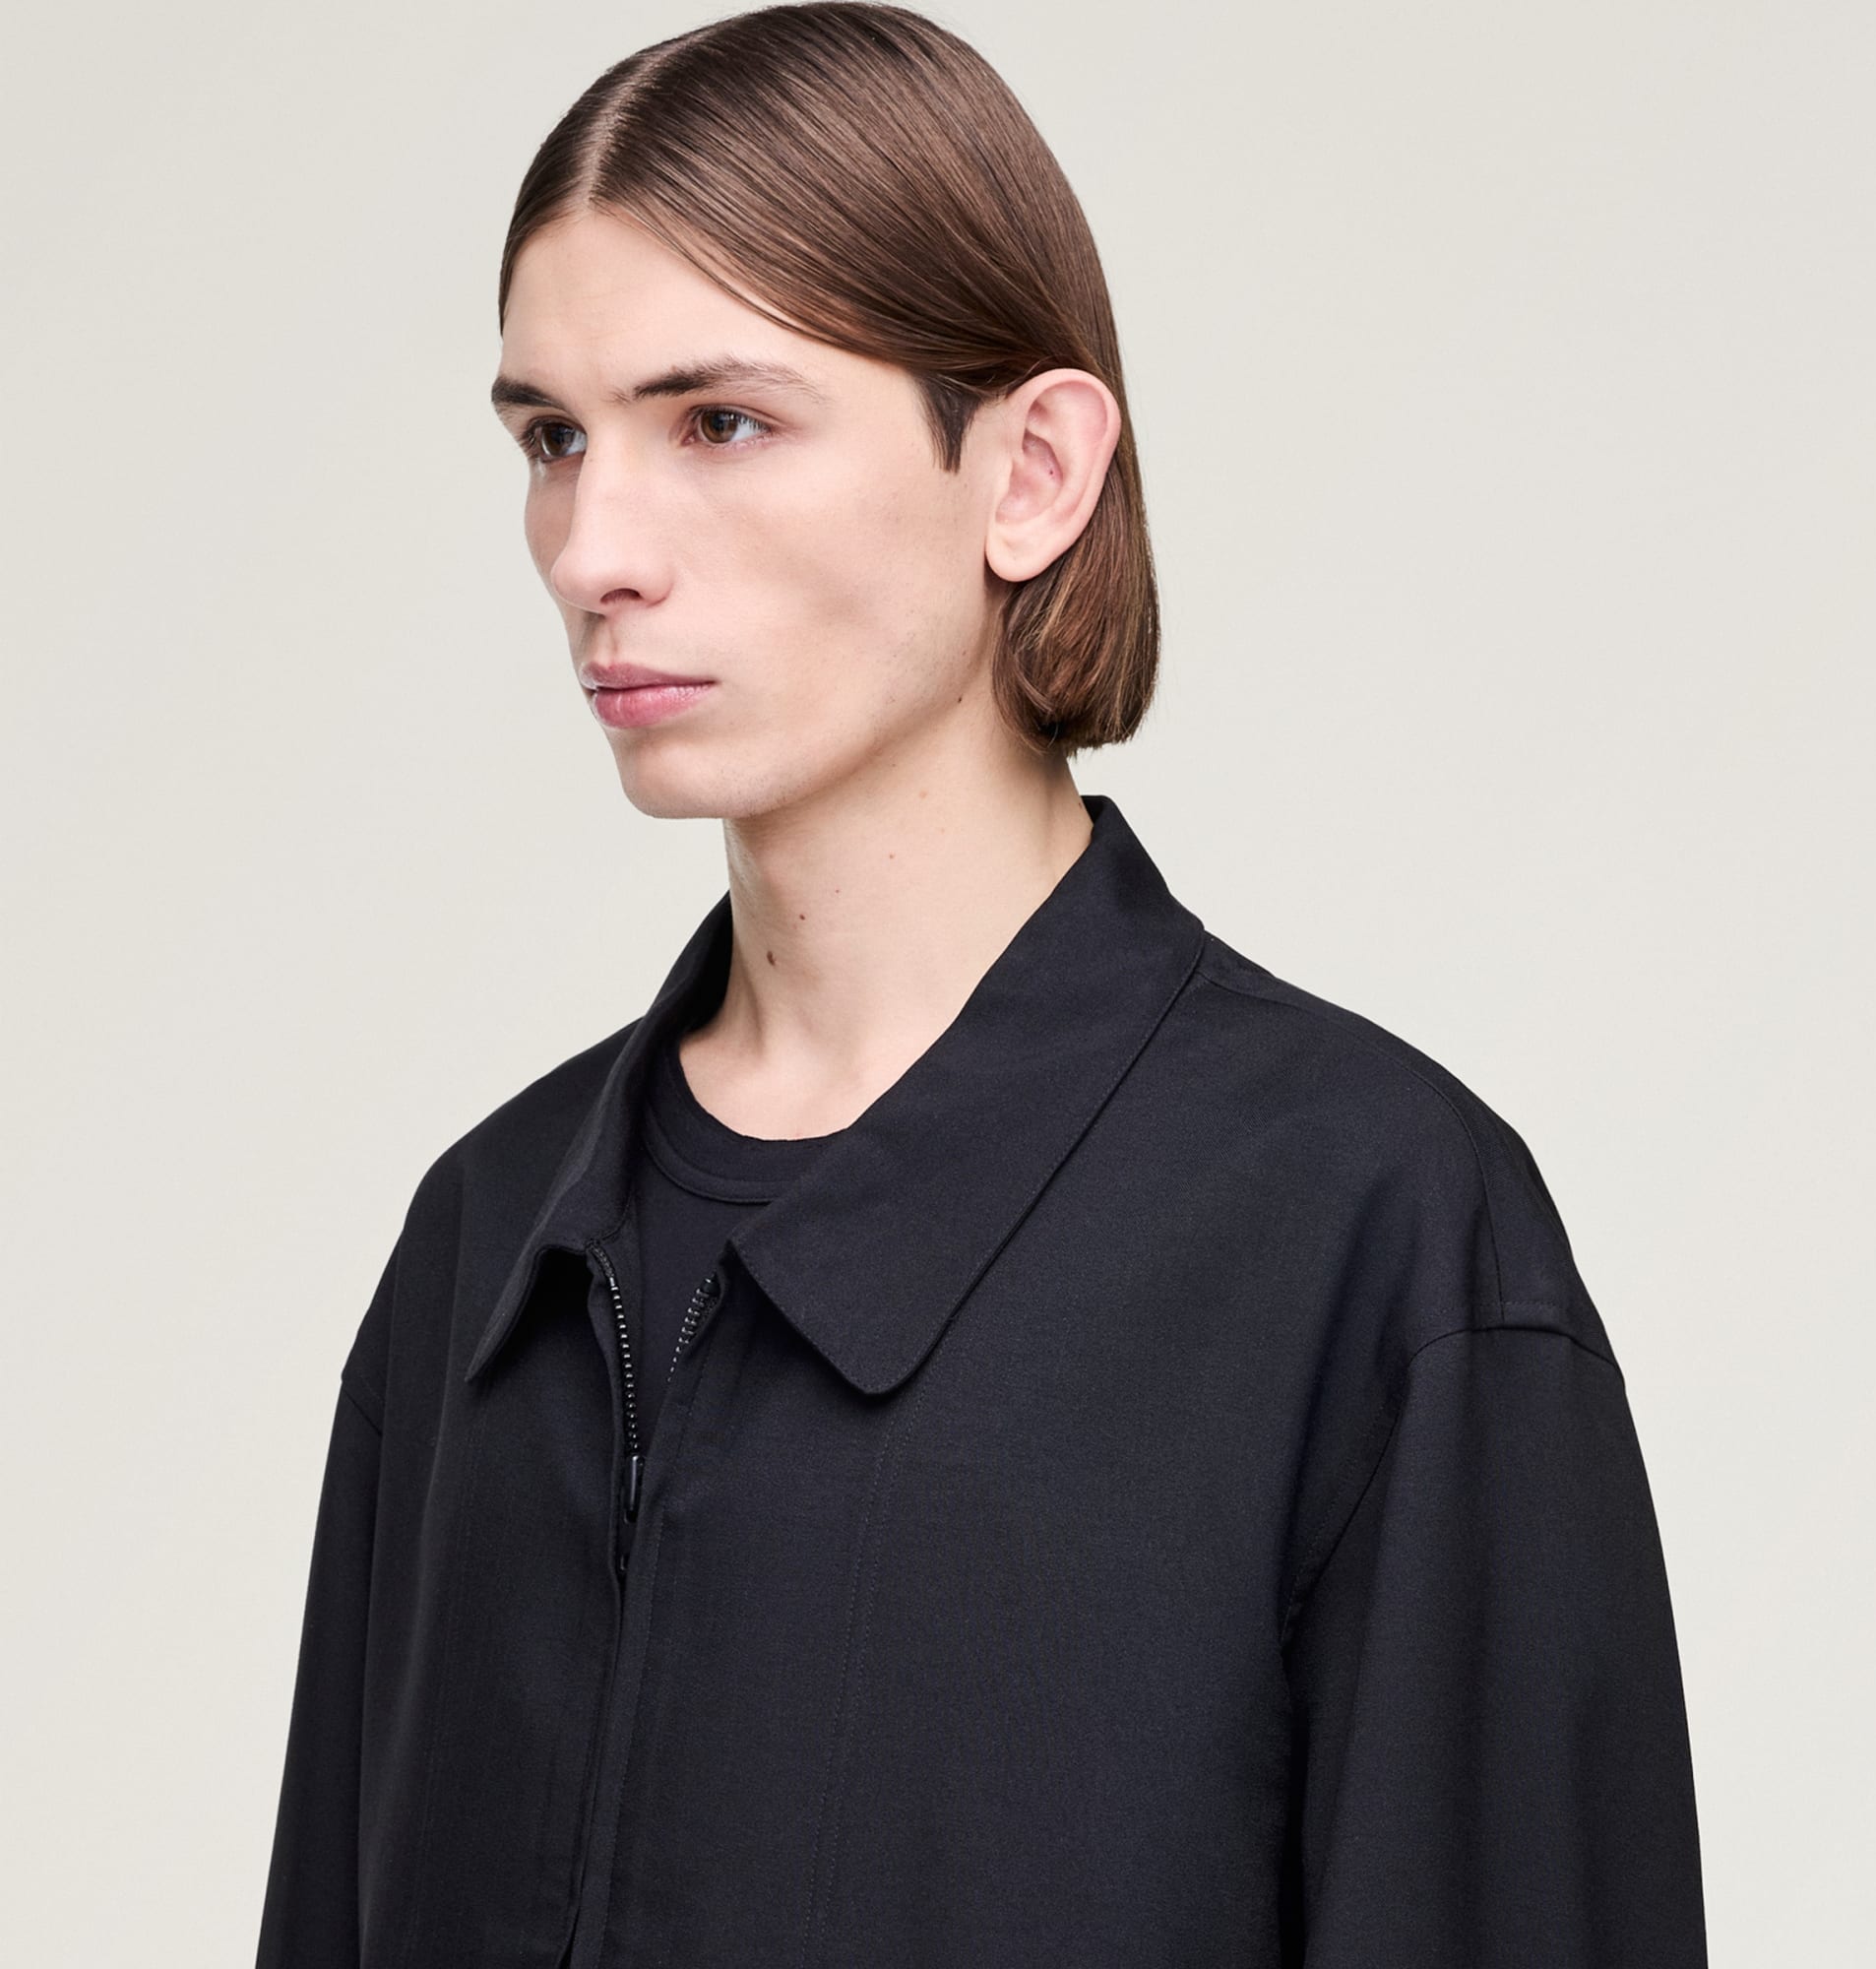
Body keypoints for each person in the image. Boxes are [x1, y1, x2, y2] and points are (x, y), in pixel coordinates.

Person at [253, 6, 1708, 1965]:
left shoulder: (1370, 1237)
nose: (592, 550)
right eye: (551, 439)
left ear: (1031, 470)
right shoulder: (484, 1248)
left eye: (720, 422)